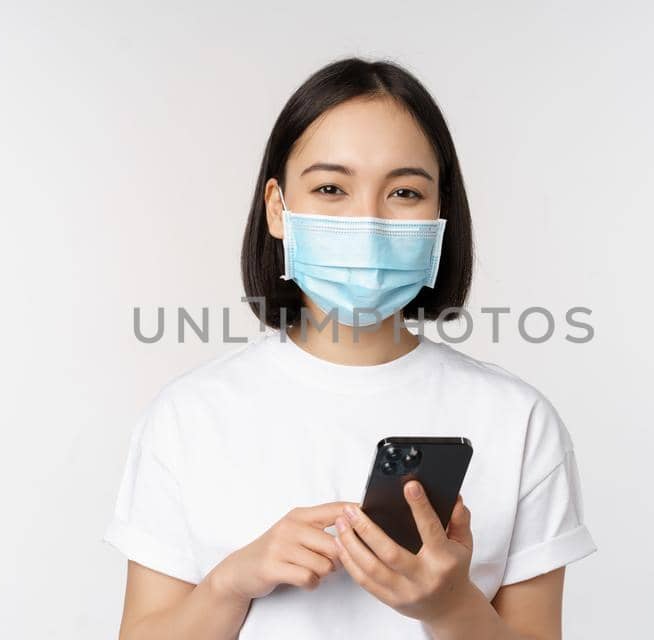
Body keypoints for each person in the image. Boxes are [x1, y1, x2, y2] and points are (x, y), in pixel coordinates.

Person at [104, 57, 596, 639]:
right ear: (277, 209)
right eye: (331, 188)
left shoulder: (519, 422)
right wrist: (231, 582)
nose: (367, 221)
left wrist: (448, 607)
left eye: (405, 191)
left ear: (441, 213)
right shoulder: (189, 416)